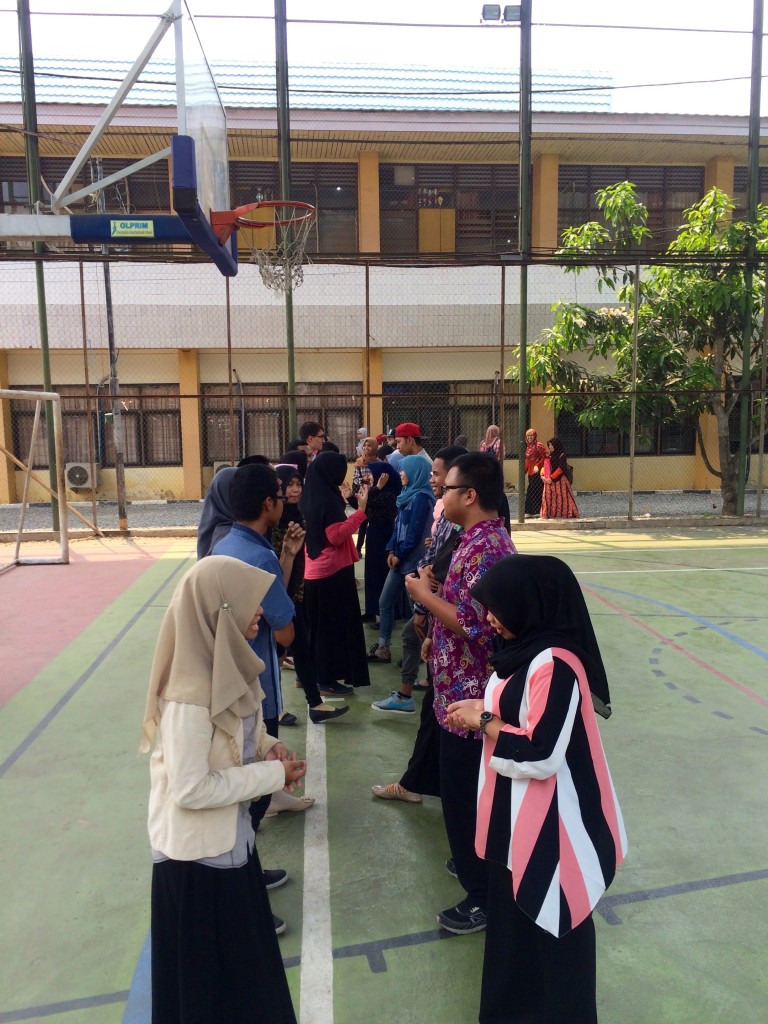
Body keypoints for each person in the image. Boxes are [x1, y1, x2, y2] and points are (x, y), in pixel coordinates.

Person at [446, 554, 626, 1024]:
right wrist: (482, 704)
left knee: (553, 937)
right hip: (519, 824)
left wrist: (483, 720)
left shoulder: (558, 663)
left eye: (498, 607)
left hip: (554, 832)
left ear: (531, 605)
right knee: (516, 935)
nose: (490, 617)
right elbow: (517, 710)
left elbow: (543, 752)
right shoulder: (525, 652)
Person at [141, 555, 306, 1024]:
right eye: (252, 603)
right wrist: (273, 778)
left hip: (231, 847)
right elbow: (191, 788)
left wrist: (269, 746)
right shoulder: (188, 694)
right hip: (197, 868)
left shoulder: (228, 662)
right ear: (220, 607)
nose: (262, 612)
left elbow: (237, 732)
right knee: (210, 993)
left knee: (244, 985)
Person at [405, 452, 516, 935]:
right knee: (467, 798)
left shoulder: (488, 548)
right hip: (456, 691)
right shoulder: (474, 542)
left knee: (465, 798)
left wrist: (424, 597)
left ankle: (482, 897)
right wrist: (435, 633)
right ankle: (477, 868)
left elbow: (475, 625)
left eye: (446, 488)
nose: (439, 494)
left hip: (470, 704)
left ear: (469, 495)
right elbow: (463, 615)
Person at [370, 444, 465, 719]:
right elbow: (422, 541)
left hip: (418, 575)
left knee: (416, 634)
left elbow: (433, 555)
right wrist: (392, 549)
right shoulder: (423, 503)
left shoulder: (428, 502)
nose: (434, 480)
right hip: (418, 578)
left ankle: (411, 693)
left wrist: (403, 558)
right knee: (403, 621)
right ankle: (416, 688)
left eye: (439, 475)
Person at [272, 463, 350, 724]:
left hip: (296, 593)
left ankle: (314, 704)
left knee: (301, 648)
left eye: (298, 484)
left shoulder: (299, 512)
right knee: (274, 653)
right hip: (277, 596)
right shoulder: (272, 521)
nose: (294, 490)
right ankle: (273, 708)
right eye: (288, 485)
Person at [301, 451, 371, 696]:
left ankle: (313, 675)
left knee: (319, 629)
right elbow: (335, 535)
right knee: (331, 630)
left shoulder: (313, 494)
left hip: (316, 570)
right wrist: (361, 511)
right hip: (331, 572)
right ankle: (326, 679)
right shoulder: (326, 501)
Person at [368, 454, 436, 664]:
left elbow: (415, 533)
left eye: (404, 470)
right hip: (399, 560)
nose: (400, 474)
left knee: (418, 614)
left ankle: (419, 657)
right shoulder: (406, 494)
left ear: (416, 471)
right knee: (385, 601)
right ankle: (383, 647)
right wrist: (390, 550)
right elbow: (398, 527)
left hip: (413, 562)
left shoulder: (422, 498)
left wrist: (398, 554)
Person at [361, 459, 401, 623]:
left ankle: (382, 615)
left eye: (373, 473)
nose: (370, 477)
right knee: (370, 573)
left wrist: (377, 487)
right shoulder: (377, 491)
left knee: (380, 573)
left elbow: (368, 502)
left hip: (384, 534)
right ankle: (371, 609)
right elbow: (362, 506)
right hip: (374, 533)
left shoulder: (389, 494)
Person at [541, 437, 579, 519]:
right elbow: (545, 466)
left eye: (552, 445)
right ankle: (549, 514)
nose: (550, 447)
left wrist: (551, 478)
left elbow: (561, 469)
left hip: (559, 480)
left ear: (556, 445)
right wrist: (542, 475)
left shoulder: (562, 455)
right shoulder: (549, 455)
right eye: (549, 445)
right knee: (548, 498)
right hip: (548, 480)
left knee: (563, 498)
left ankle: (564, 514)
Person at [524, 428, 547, 517]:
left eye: (531, 435)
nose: (530, 437)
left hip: (538, 471)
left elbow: (545, 456)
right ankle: (531, 511)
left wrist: (538, 465)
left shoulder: (539, 445)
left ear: (535, 436)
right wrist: (524, 471)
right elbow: (527, 460)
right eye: (528, 435)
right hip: (530, 471)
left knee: (535, 490)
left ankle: (535, 511)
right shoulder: (527, 446)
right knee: (532, 490)